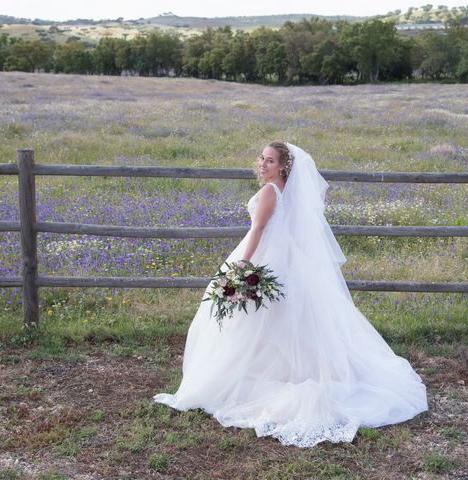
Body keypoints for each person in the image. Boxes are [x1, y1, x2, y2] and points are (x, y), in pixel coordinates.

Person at [154, 142, 428, 448]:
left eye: (269, 161)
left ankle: (252, 378)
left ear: (283, 166)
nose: (262, 164)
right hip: (287, 261)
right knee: (281, 322)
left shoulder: (271, 191)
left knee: (255, 322)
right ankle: (284, 373)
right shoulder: (287, 191)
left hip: (265, 259)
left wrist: (242, 266)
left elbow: (258, 230)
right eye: (261, 158)